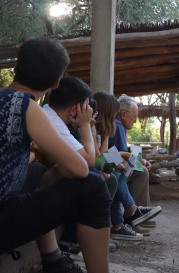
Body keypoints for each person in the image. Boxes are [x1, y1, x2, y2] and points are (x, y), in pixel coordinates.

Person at [0, 37, 110, 273]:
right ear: (55, 82)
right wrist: (61, 169)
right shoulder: (27, 107)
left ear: (15, 68)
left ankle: (55, 262)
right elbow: (81, 168)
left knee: (38, 172)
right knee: (93, 183)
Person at [108, 94, 161, 233]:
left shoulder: (118, 125)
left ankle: (136, 216)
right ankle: (134, 217)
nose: (136, 121)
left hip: (111, 168)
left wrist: (140, 161)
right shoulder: (117, 124)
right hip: (111, 170)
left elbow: (119, 153)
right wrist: (137, 163)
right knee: (141, 172)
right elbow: (114, 157)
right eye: (134, 116)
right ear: (124, 114)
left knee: (141, 169)